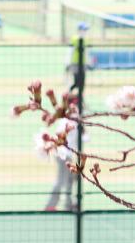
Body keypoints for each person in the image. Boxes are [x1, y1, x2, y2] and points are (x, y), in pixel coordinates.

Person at [43, 51, 84, 212]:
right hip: (64, 154)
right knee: (63, 180)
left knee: (69, 179)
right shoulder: (69, 121)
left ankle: (67, 204)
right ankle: (52, 205)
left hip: (67, 154)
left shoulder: (72, 119)